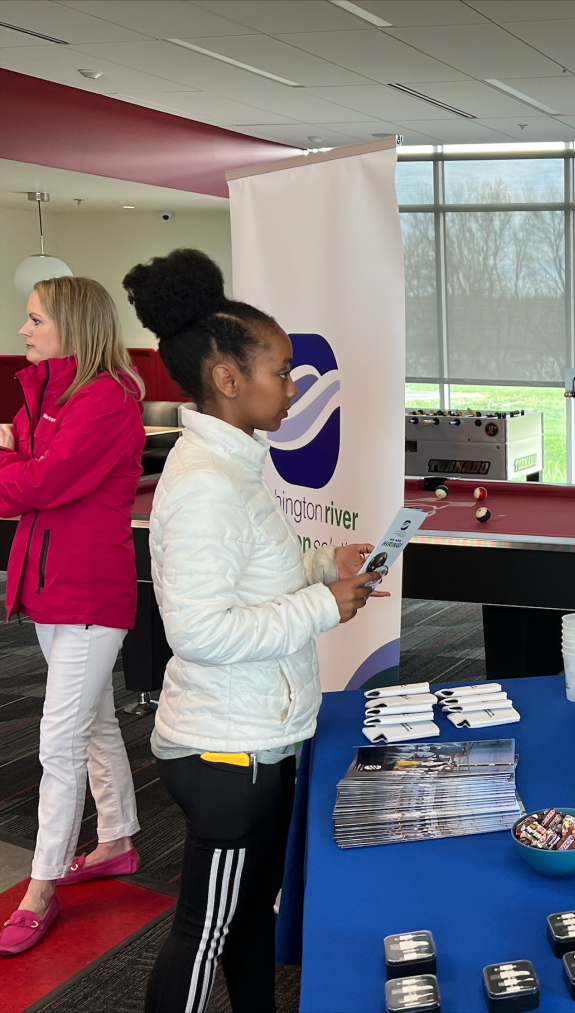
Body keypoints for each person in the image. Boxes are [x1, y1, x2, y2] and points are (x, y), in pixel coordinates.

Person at [122, 249, 384, 1013]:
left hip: (258, 738)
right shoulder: (204, 484)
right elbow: (200, 630)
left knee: (244, 923)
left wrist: (318, 562)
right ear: (228, 379)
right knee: (204, 933)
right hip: (224, 749)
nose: (295, 384)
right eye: (282, 369)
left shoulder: (237, 463)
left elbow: (253, 574)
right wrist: (322, 606)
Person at [0, 278, 146, 955]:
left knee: (56, 741)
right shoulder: (60, 393)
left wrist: (9, 454)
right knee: (91, 723)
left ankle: (40, 885)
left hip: (88, 593)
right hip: (52, 584)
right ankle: (116, 838)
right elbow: (28, 475)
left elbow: (39, 483)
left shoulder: (106, 399)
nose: (23, 331)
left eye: (34, 320)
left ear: (71, 325)